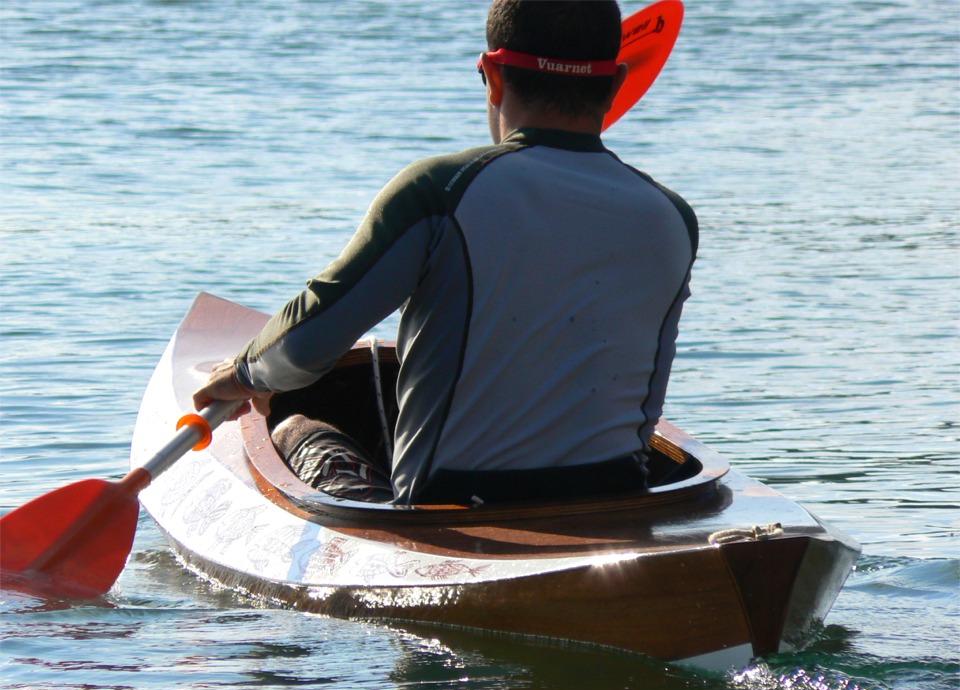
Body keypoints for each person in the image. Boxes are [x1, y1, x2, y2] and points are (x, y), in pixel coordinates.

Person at [193, 0, 698, 506]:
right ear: (615, 84)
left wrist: (241, 374)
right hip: (620, 502)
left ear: (493, 75)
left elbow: (303, 350)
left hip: (453, 504)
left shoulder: (440, 192)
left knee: (294, 427)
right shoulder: (672, 217)